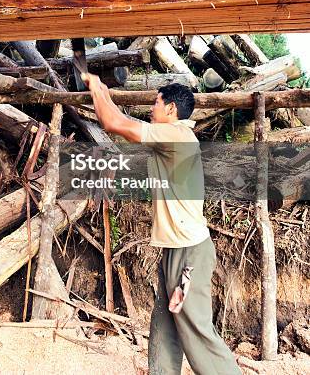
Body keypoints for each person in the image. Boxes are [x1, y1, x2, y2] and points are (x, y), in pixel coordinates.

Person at [82, 72, 241, 375]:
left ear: (170, 109)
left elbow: (114, 124)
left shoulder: (176, 135)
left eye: (155, 103)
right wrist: (101, 90)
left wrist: (96, 89)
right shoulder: (171, 136)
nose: (151, 110)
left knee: (196, 331)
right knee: (165, 328)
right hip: (175, 249)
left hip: (189, 253)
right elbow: (118, 119)